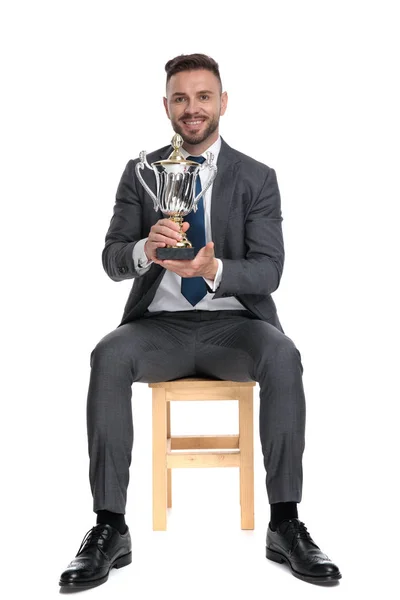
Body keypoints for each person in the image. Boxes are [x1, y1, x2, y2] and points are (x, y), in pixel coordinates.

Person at [59, 53, 341, 589]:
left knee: (283, 354)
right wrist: (145, 248)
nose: (193, 108)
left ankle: (286, 522)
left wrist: (215, 270)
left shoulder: (257, 178)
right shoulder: (141, 172)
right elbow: (112, 257)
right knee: (107, 354)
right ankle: (109, 527)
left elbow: (269, 270)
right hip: (157, 329)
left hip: (234, 327)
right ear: (166, 106)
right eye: (181, 98)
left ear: (223, 103)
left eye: (203, 96)